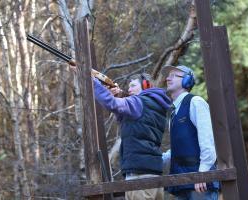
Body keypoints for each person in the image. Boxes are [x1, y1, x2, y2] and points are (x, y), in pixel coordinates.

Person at [93, 73, 171, 200]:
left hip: (139, 175)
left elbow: (110, 103)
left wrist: (92, 81)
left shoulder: (138, 102)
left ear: (146, 86)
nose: (129, 89)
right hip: (154, 174)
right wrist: (117, 95)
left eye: (133, 85)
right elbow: (132, 120)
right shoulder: (156, 105)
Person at [161, 65, 219, 200]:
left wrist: (202, 173)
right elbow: (179, 147)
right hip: (182, 183)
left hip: (200, 185)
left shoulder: (195, 102)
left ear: (187, 80)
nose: (168, 78)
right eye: (168, 75)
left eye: (174, 75)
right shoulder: (174, 112)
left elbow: (208, 141)